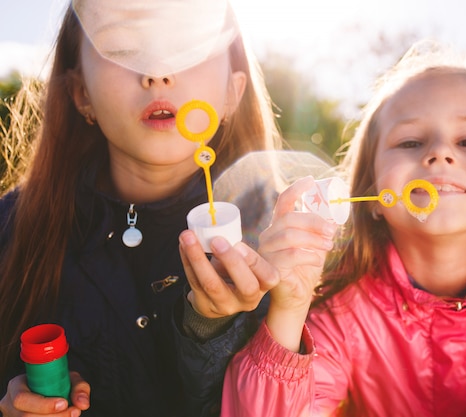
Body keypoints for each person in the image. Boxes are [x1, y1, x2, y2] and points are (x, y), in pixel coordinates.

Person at [221, 40, 466, 417]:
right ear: (371, 196)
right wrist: (289, 311)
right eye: (410, 142)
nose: (440, 152)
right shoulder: (343, 314)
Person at [0, 0, 285, 416]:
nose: (158, 72)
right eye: (122, 46)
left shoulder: (283, 236)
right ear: (82, 95)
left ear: (232, 92)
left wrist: (213, 328)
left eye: (187, 42)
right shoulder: (12, 228)